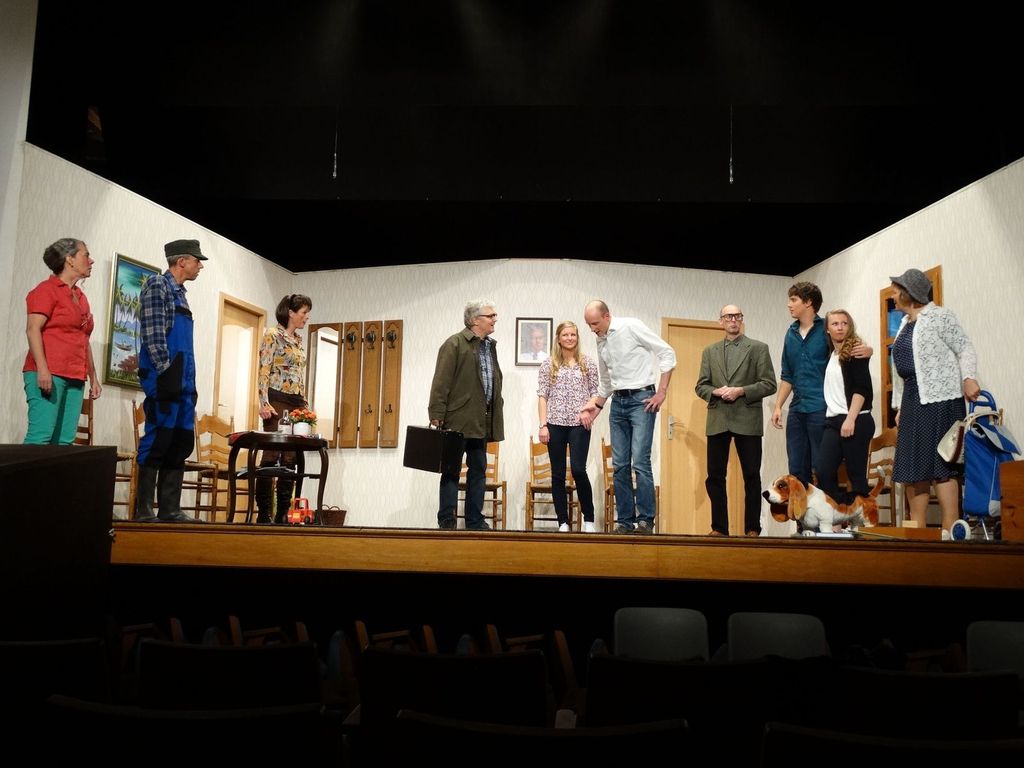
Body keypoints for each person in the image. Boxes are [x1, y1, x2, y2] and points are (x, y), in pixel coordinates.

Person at [890, 268, 979, 534]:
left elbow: (964, 347)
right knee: (913, 467)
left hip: (941, 399)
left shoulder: (940, 316)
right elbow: (900, 372)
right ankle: (917, 532)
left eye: (896, 291)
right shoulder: (904, 324)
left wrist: (969, 378)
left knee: (943, 466)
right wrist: (899, 406)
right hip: (913, 399)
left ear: (908, 293)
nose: (893, 296)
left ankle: (951, 531)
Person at [579, 300, 676, 534]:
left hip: (642, 399)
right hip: (618, 403)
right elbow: (606, 381)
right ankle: (625, 521)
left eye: (595, 323)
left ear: (607, 316)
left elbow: (667, 353)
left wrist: (662, 392)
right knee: (620, 464)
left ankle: (645, 520)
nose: (592, 329)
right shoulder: (601, 339)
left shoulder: (631, 326)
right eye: (589, 325)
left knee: (640, 461)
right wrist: (597, 407)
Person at [134, 239, 207, 523]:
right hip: (166, 378)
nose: (200, 266)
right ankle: (144, 509)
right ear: (181, 261)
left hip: (185, 380)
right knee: (159, 438)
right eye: (197, 261)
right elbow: (153, 336)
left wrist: (187, 378)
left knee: (180, 441)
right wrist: (167, 374)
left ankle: (170, 509)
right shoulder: (158, 286)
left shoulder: (181, 294)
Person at [771, 282, 870, 487]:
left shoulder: (827, 328)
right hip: (797, 409)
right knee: (796, 468)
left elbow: (849, 345)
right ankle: (802, 509)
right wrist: (779, 406)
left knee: (822, 469)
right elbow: (787, 374)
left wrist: (868, 350)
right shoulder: (790, 333)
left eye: (793, 299)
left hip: (821, 408)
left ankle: (828, 508)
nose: (789, 304)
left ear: (808, 302)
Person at [695, 305, 777, 536]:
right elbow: (701, 386)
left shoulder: (758, 348)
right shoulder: (709, 351)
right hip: (718, 419)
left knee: (751, 476)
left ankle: (752, 528)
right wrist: (715, 392)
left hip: (747, 419)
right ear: (720, 321)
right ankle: (719, 529)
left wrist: (741, 391)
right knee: (715, 477)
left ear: (741, 320)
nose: (733, 320)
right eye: (729, 316)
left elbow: (769, 384)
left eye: (737, 316)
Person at [428, 299, 504, 531]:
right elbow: (441, 380)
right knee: (451, 469)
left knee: (478, 471)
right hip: (457, 419)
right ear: (474, 320)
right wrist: (436, 412)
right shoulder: (455, 343)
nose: (494, 319)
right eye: (490, 315)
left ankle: (474, 520)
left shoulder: (489, 346)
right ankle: (447, 520)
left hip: (481, 419)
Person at [23, 238, 102, 444]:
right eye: (86, 255)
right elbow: (32, 329)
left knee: (64, 442)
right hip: (50, 372)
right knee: (40, 437)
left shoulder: (80, 297)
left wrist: (93, 376)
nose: (91, 260)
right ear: (70, 260)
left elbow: (83, 339)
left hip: (75, 376)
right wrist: (43, 369)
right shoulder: (46, 290)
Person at [255, 294, 313, 524]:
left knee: (291, 459)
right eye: (304, 313)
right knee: (271, 454)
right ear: (291, 313)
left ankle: (282, 513)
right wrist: (263, 401)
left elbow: (298, 374)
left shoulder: (298, 340)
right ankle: (264, 513)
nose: (306, 317)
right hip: (276, 399)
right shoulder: (272, 335)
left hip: (296, 401)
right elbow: (264, 369)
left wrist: (305, 403)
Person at [537, 321, 599, 533]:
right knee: (557, 474)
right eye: (565, 335)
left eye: (573, 334)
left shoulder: (587, 363)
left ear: (577, 337)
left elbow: (596, 393)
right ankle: (562, 522)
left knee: (579, 470)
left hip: (579, 424)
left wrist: (588, 410)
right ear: (559, 338)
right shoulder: (548, 364)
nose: (570, 338)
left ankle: (589, 519)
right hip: (555, 424)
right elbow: (543, 396)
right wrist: (543, 425)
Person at [815, 309, 874, 506]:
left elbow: (861, 389)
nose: (840, 327)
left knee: (856, 476)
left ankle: (862, 517)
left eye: (844, 323)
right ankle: (840, 512)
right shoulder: (831, 353)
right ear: (827, 329)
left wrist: (851, 418)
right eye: (835, 324)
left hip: (856, 419)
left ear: (850, 327)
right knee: (823, 471)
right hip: (833, 420)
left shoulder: (856, 352)